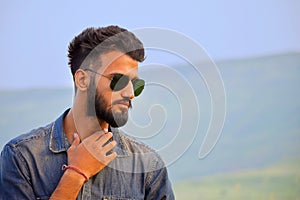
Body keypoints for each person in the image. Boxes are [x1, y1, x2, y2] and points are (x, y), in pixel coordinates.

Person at [0, 25, 174, 199]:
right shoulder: (22, 157)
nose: (130, 93)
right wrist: (75, 175)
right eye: (118, 80)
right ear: (82, 80)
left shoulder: (148, 167)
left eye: (136, 84)